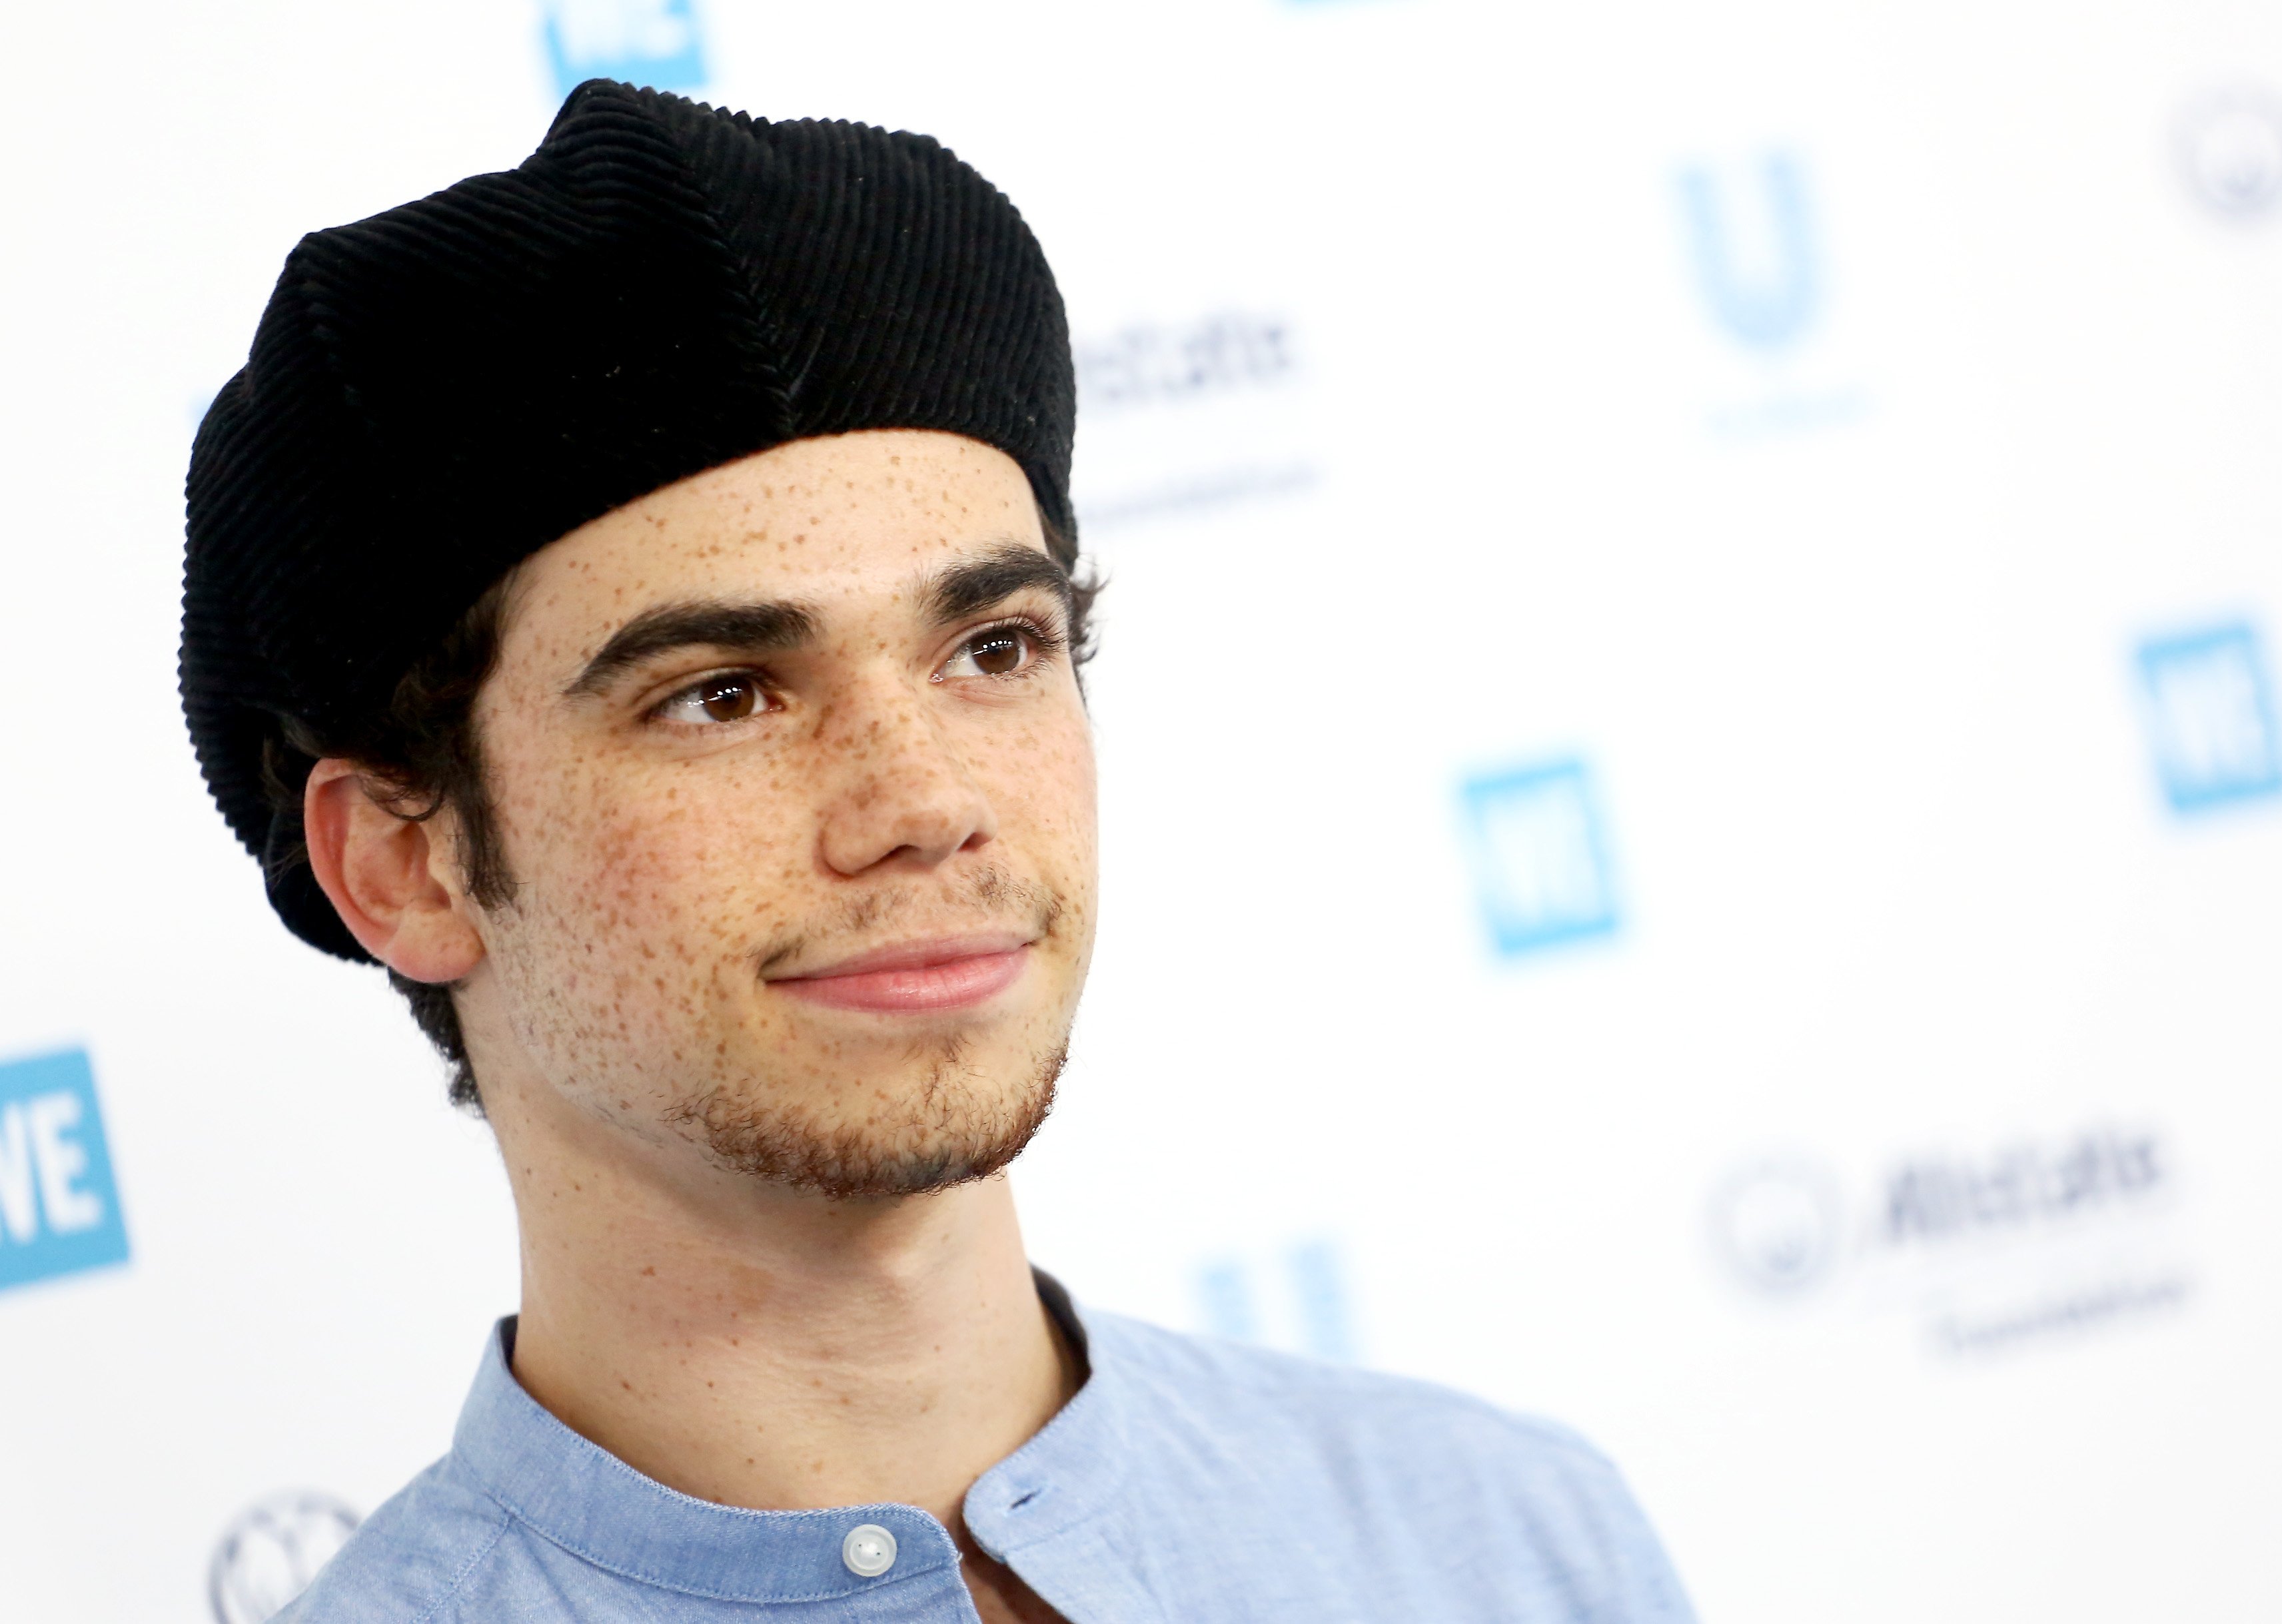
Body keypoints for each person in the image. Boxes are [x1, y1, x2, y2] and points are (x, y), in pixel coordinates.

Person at [181, 80, 1695, 1623]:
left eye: (991, 648)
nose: (924, 799)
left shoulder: (1501, 1541)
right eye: (723, 695)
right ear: (403, 866)